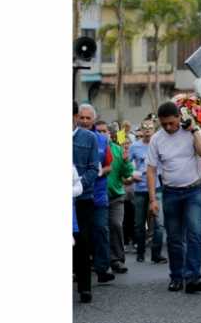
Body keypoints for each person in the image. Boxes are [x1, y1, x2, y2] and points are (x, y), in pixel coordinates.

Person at [146, 101, 201, 293]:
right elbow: (151, 170)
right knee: (174, 238)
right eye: (164, 124)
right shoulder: (157, 139)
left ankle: (193, 277)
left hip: (193, 191)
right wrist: (152, 199)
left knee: (195, 234)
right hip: (170, 192)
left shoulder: (192, 132)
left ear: (179, 118)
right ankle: (176, 276)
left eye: (172, 123)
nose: (168, 127)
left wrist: (194, 130)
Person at [77, 105, 116, 284]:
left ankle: (103, 268)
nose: (85, 121)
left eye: (88, 118)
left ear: (94, 119)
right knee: (79, 234)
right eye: (82, 117)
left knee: (100, 229)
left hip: (98, 194)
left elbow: (109, 166)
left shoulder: (102, 140)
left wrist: (98, 172)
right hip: (77, 195)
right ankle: (78, 269)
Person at [72, 101, 99, 303]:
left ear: (74, 117)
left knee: (82, 242)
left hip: (82, 197)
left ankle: (85, 288)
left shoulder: (89, 138)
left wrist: (78, 186)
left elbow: (93, 168)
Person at [130, 119, 167, 264]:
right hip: (140, 188)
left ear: (154, 130)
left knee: (159, 223)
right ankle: (140, 252)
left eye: (150, 128)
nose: (147, 130)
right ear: (141, 130)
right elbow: (127, 164)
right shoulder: (134, 146)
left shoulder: (159, 144)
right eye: (144, 127)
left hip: (157, 187)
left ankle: (156, 254)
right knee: (139, 224)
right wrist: (132, 174)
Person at [106, 122, 134, 274]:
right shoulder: (94, 148)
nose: (103, 134)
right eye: (100, 131)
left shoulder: (118, 149)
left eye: (105, 132)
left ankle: (117, 260)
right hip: (96, 197)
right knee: (100, 229)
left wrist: (125, 161)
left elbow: (128, 173)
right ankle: (101, 260)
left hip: (116, 196)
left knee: (116, 225)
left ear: (111, 135)